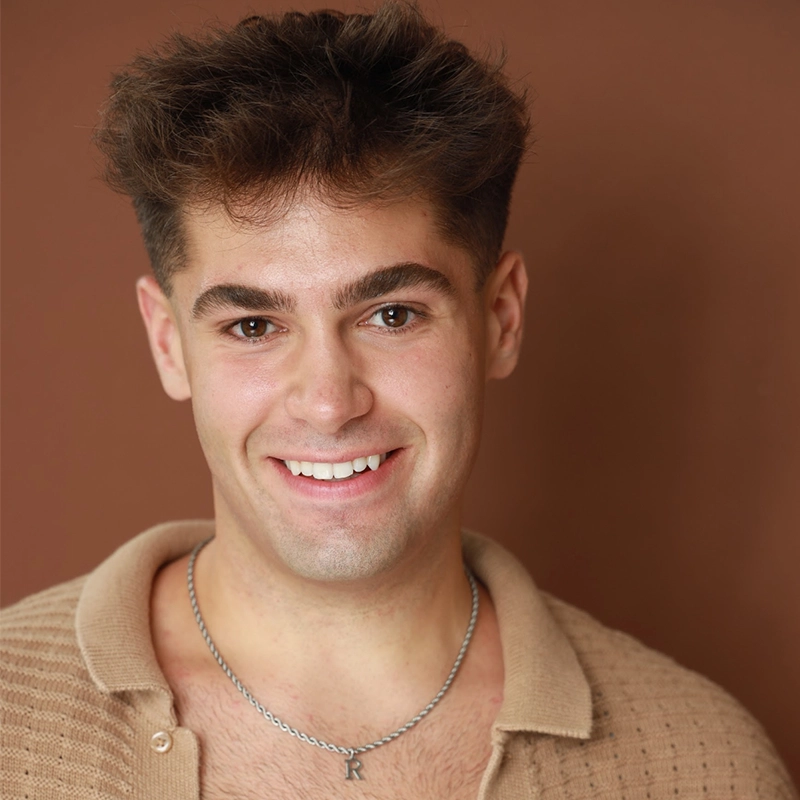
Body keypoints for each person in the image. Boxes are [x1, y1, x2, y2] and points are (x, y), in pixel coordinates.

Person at [1, 4, 796, 799]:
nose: (327, 402)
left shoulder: (706, 762)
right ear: (168, 342)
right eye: (252, 324)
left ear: (501, 318)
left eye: (392, 315)